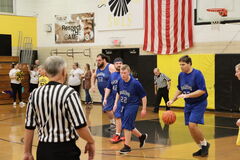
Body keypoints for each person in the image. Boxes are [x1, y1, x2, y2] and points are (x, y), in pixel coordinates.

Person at [24, 56, 95, 160]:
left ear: (46, 72)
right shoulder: (69, 93)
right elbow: (80, 126)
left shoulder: (34, 94)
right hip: (65, 150)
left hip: (43, 150)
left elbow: (29, 126)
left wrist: (27, 152)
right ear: (63, 71)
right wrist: (91, 141)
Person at [167, 55, 210, 157]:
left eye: (183, 64)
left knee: (192, 124)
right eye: (180, 64)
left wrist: (187, 95)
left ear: (189, 64)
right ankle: (202, 147)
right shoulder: (181, 75)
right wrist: (172, 100)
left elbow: (202, 90)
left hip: (199, 103)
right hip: (189, 104)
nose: (181, 66)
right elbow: (179, 89)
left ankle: (204, 145)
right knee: (191, 128)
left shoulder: (197, 74)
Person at [113, 64, 147, 154]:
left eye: (124, 73)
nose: (122, 75)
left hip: (132, 105)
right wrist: (116, 103)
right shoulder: (120, 81)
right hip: (123, 104)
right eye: (121, 73)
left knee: (126, 125)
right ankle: (141, 136)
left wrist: (144, 109)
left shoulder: (135, 83)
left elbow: (143, 96)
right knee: (129, 125)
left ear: (129, 72)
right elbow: (118, 93)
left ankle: (127, 146)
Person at [103, 57, 124, 143]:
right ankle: (119, 133)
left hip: (123, 98)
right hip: (114, 97)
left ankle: (119, 134)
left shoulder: (125, 74)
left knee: (120, 116)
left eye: (120, 63)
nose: (119, 65)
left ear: (122, 64)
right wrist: (105, 98)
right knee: (116, 114)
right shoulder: (112, 75)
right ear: (114, 65)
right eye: (117, 63)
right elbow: (108, 87)